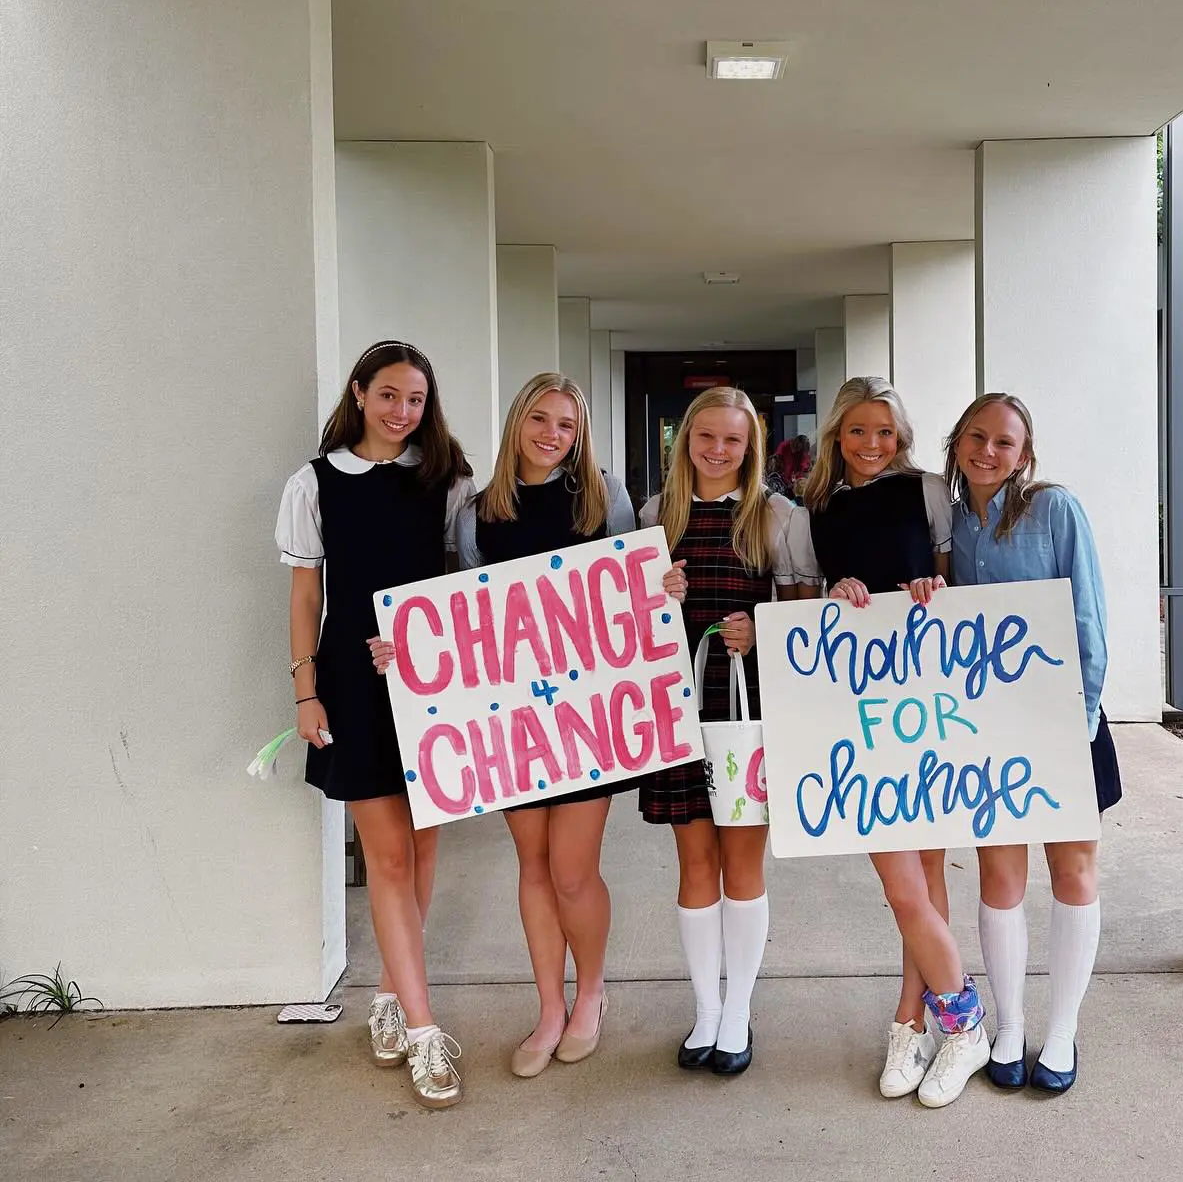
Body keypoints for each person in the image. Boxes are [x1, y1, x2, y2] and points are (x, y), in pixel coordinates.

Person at [375, 372, 634, 1079]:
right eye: (542, 419)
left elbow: (631, 598)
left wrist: (662, 586)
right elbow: (463, 615)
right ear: (519, 420)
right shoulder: (476, 511)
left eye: (568, 425)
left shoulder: (604, 495)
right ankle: (549, 1007)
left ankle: (592, 992)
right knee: (534, 867)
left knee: (574, 872)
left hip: (591, 716)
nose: (554, 434)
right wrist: (409, 647)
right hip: (513, 723)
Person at [276, 340, 474, 1109]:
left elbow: (470, 586)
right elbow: (304, 598)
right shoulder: (315, 482)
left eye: (416, 399)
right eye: (388, 394)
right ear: (359, 393)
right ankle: (424, 1033)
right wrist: (306, 691)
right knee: (387, 857)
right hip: (356, 686)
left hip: (433, 685)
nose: (402, 411)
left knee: (423, 851)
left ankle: (392, 994)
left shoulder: (447, 481)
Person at [788, 376, 988, 1108]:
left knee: (923, 884)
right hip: (858, 713)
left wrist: (933, 590)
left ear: (900, 436)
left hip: (926, 708)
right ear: (836, 435)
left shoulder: (928, 491)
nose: (873, 444)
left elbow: (953, 581)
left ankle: (915, 1021)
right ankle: (963, 1021)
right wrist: (832, 597)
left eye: (885, 431)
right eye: (857, 431)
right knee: (904, 887)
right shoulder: (812, 510)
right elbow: (802, 610)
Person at [945, 391, 1121, 1097]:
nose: (989, 451)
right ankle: (1011, 1024)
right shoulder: (950, 522)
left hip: (1066, 721)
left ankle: (1063, 1028)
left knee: (1073, 869)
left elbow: (1089, 621)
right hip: (990, 727)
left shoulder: (1054, 510)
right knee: (1000, 876)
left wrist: (1076, 729)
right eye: (977, 436)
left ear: (1025, 454)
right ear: (958, 440)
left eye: (1005, 442)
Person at [643, 387, 819, 1077]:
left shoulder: (778, 517)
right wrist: (653, 594)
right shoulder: (657, 515)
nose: (718, 449)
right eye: (706, 436)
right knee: (694, 864)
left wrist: (762, 630)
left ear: (750, 449)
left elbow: (810, 625)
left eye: (733, 440)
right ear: (684, 439)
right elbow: (624, 620)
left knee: (741, 865)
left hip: (749, 713)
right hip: (677, 708)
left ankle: (739, 1009)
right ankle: (705, 1012)